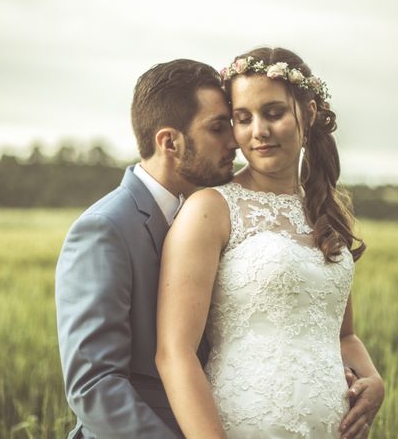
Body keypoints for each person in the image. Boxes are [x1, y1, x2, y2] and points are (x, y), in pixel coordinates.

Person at [156, 47, 385, 439]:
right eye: (242, 119)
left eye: (273, 113)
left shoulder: (325, 210)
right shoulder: (211, 209)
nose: (257, 130)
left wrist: (373, 380)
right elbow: (174, 354)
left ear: (308, 113)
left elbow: (342, 334)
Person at [55, 58, 238, 438]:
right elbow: (94, 386)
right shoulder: (104, 229)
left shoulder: (217, 217)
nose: (234, 141)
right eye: (218, 128)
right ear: (170, 142)